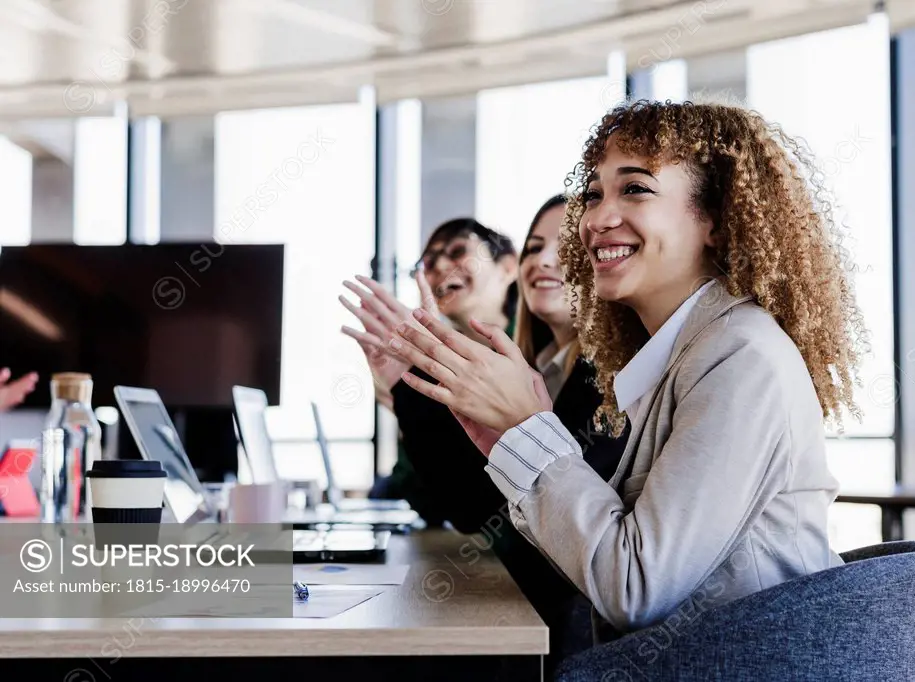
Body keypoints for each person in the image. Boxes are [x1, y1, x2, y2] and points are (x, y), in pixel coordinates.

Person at [384, 99, 866, 643]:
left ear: (715, 218)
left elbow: (635, 587)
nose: (595, 219)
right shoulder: (673, 358)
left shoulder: (741, 359)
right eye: (593, 194)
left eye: (634, 188)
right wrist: (509, 439)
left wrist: (530, 424)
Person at [344, 198, 629, 670]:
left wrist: (418, 385)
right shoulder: (545, 369)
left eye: (565, 246)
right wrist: (409, 389)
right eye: (534, 248)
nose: (542, 260)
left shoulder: (606, 376)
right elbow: (473, 503)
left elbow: (506, 514)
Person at [339, 218, 519, 525]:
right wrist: (406, 402)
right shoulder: (438, 365)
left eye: (458, 250)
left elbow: (487, 508)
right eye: (428, 262)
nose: (439, 267)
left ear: (508, 266)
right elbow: (428, 498)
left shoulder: (535, 352)